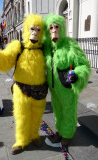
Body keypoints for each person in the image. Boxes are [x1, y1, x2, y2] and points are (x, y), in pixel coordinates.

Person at [0, 14, 48, 155]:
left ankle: (34, 136)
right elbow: (6, 59)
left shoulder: (45, 48)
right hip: (22, 89)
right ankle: (21, 141)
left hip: (40, 90)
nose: (35, 32)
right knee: (21, 116)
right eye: (32, 29)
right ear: (27, 29)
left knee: (37, 116)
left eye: (38, 30)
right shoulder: (18, 46)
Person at [43, 14, 91, 149]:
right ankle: (60, 131)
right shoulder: (48, 47)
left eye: (56, 26)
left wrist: (76, 74)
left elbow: (83, 65)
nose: (53, 30)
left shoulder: (70, 44)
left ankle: (67, 134)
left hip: (67, 88)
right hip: (54, 89)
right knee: (58, 111)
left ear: (61, 28)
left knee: (68, 110)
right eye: (50, 27)